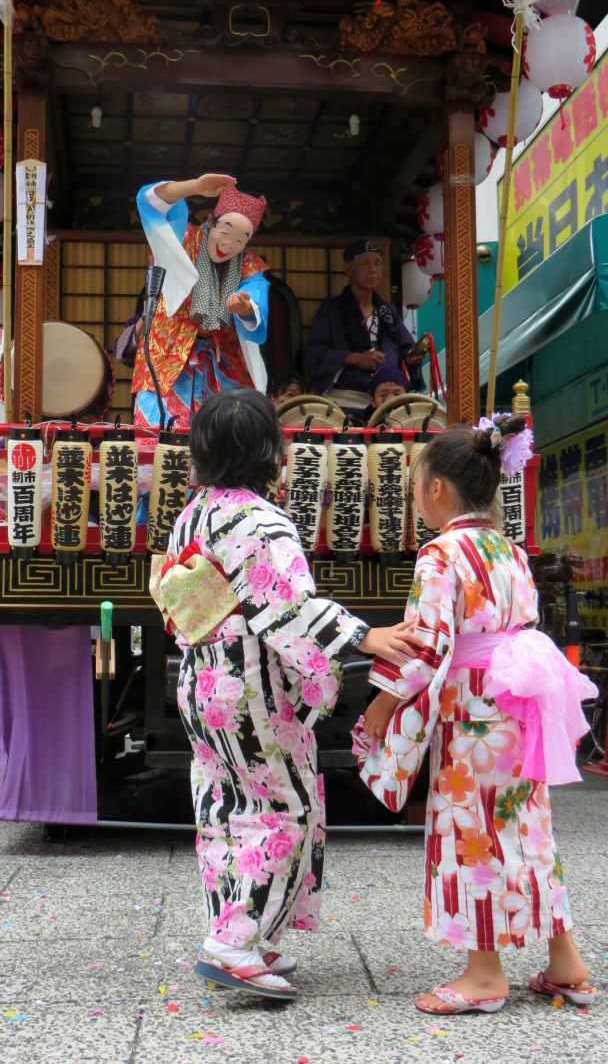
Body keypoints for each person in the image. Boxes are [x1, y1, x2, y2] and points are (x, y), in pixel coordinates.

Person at [151, 390, 419, 1000]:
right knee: (284, 811)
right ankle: (233, 941)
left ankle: (247, 928)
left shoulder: (192, 515)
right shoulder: (261, 520)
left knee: (225, 808)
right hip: (251, 687)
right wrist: (363, 635)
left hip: (202, 677)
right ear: (271, 451)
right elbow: (288, 610)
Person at [352, 416, 598, 1016]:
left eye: (417, 488)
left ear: (438, 489)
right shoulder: (508, 550)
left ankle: (485, 975)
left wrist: (384, 701)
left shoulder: (442, 553)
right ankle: (565, 960)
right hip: (520, 702)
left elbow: (427, 644)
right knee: (526, 825)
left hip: (473, 710)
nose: (417, 499)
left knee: (473, 830)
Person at [133, 174, 269, 430]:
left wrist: (247, 308)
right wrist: (193, 187)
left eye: (241, 240)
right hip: (167, 358)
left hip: (221, 366)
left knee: (225, 441)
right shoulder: (183, 238)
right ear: (211, 221)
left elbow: (257, 297)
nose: (229, 244)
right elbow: (149, 201)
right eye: (225, 231)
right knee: (160, 444)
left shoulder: (249, 264)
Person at [304, 239, 424, 421]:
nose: (373, 269)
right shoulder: (331, 309)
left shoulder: (387, 311)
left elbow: (404, 350)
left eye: (377, 263)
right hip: (343, 401)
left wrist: (412, 358)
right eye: (365, 263)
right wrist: (354, 358)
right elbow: (316, 354)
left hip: (386, 402)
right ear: (348, 269)